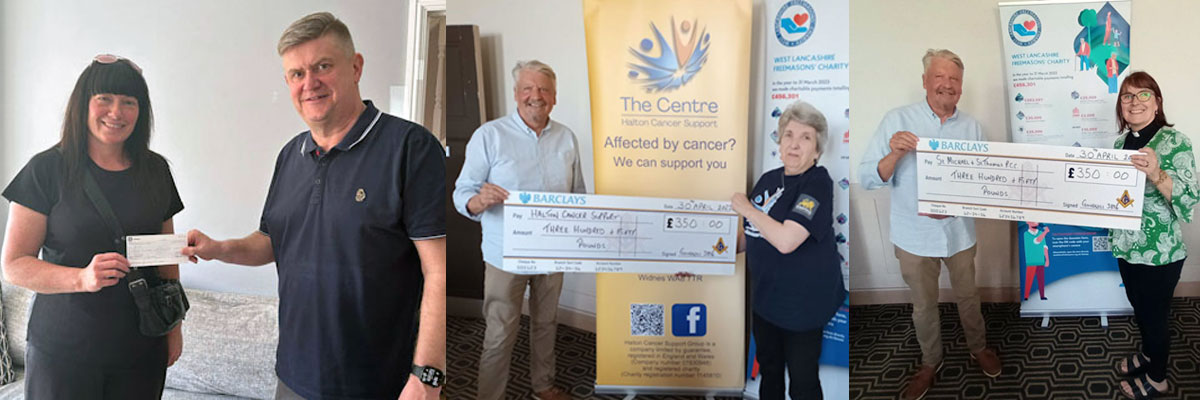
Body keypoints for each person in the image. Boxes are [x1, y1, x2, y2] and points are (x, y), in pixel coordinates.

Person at [182, 12, 446, 400]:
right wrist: (219, 249)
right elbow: (274, 241)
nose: (310, 83)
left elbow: (437, 270)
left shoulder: (411, 148)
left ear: (355, 67)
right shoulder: (290, 155)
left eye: (323, 66)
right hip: (293, 375)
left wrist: (426, 377)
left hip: (379, 383)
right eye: (296, 74)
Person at [1, 54, 184, 398]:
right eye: (105, 99)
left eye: (129, 102)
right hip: (63, 351)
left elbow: (166, 256)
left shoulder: (156, 171)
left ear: (141, 111)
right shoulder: (46, 170)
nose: (116, 112)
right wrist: (81, 278)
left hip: (142, 347)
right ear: (83, 104)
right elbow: (13, 265)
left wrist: (174, 327)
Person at [858, 49, 1001, 400]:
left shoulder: (972, 127)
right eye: (939, 77)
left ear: (962, 88)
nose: (947, 85)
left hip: (960, 232)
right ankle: (929, 361)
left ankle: (977, 347)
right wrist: (894, 154)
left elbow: (984, 178)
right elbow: (867, 178)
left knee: (969, 295)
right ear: (925, 81)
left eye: (954, 79)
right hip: (913, 236)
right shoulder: (897, 120)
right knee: (923, 304)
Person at [452, 60, 585, 400]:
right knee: (500, 331)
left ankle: (544, 386)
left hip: (553, 253)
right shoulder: (490, 135)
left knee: (546, 324)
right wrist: (478, 202)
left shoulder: (567, 138)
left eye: (543, 89)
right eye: (527, 88)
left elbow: (578, 197)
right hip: (504, 254)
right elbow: (462, 191)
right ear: (516, 94)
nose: (535, 96)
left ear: (554, 97)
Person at [732, 100, 845, 400]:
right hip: (766, 302)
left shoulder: (818, 183)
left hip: (802, 308)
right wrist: (703, 255)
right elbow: (748, 237)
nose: (794, 145)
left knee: (803, 382)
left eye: (806, 137)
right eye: (789, 135)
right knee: (769, 372)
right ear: (779, 142)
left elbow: (786, 241)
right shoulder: (768, 180)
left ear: (817, 150)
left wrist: (746, 207)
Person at [1110, 71, 1198, 399]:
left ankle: (1158, 377)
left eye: (1144, 95)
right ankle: (1147, 355)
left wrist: (1157, 173)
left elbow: (1190, 197)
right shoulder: (1120, 144)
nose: (1135, 102)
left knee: (1155, 316)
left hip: (1160, 252)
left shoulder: (1176, 142)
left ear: (1157, 102)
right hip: (1127, 245)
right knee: (1138, 306)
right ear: (1121, 106)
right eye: (1127, 96)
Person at [1021, 222, 1050, 301]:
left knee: (1041, 280)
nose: (1035, 223)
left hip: (1040, 260)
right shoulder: (1026, 234)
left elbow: (1044, 247)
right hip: (1031, 261)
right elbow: (1036, 241)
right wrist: (1045, 232)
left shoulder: (1040, 233)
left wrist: (1047, 259)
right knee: (1029, 279)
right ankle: (1026, 296)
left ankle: (1042, 295)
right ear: (1028, 222)